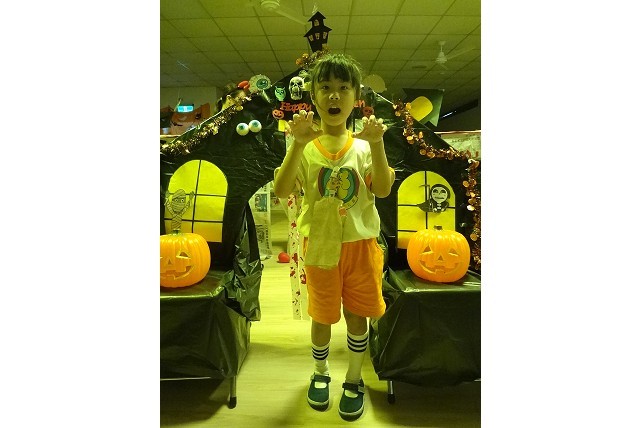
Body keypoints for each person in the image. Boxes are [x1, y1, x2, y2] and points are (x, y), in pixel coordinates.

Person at [273, 52, 395, 421]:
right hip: (320, 247)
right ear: (313, 96)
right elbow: (282, 190)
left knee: (358, 316)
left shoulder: (364, 146)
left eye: (343, 88)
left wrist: (377, 144)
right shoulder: (305, 146)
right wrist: (297, 143)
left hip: (360, 246)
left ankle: (354, 379)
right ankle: (321, 373)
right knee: (323, 316)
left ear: (355, 97)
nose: (334, 95)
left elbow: (383, 189)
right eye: (325, 87)